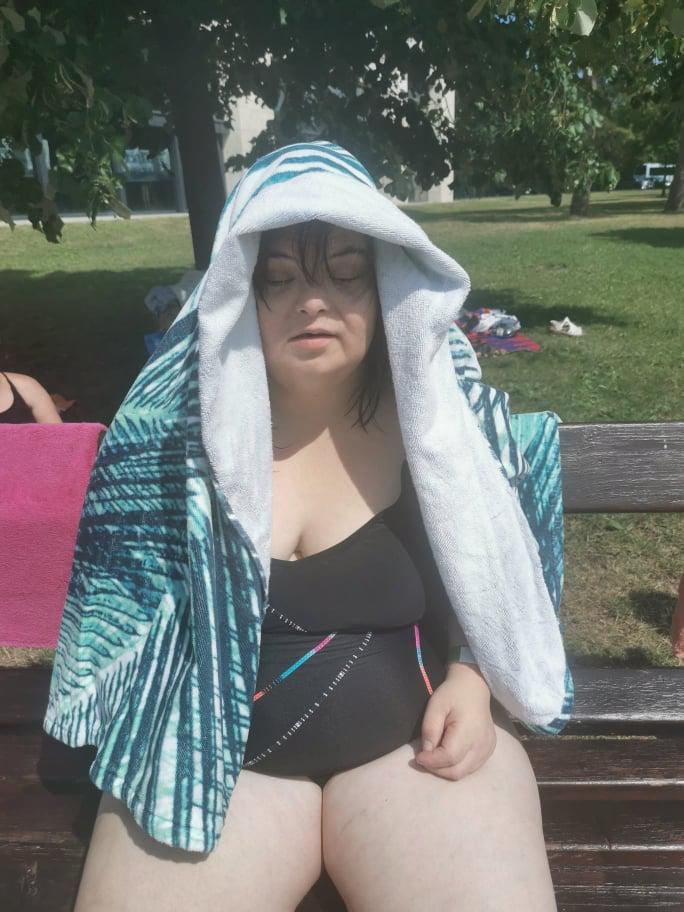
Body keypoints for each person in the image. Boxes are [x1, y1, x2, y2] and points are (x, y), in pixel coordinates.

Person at [46, 141, 570, 911]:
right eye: (281, 277)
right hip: (214, 771)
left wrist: (474, 678)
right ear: (240, 287)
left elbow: (508, 580)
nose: (312, 301)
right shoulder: (171, 444)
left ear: (385, 282)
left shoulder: (446, 430)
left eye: (345, 272)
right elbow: (119, 611)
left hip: (416, 759)